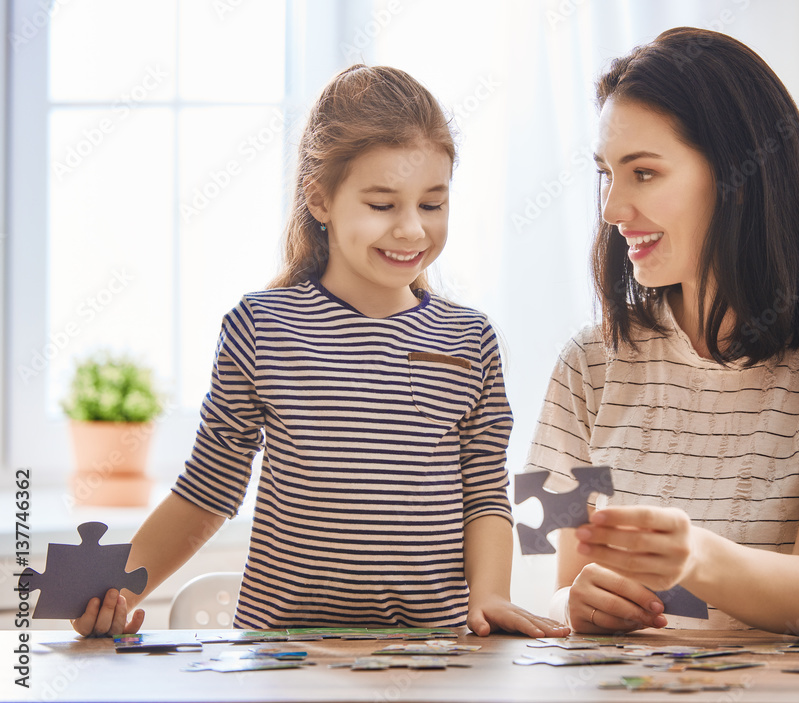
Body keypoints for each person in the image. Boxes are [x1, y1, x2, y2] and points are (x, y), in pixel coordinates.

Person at [72, 64, 568, 639]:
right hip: (282, 655)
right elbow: (207, 489)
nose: (412, 229)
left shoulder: (468, 338)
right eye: (382, 205)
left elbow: (483, 493)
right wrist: (116, 593)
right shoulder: (262, 327)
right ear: (320, 199)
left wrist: (490, 596)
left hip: (435, 655)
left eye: (432, 204)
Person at [529, 28, 799, 639]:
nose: (611, 209)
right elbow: (562, 588)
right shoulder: (588, 362)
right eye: (607, 173)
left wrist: (693, 556)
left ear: (740, 178)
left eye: (644, 173)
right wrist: (573, 607)